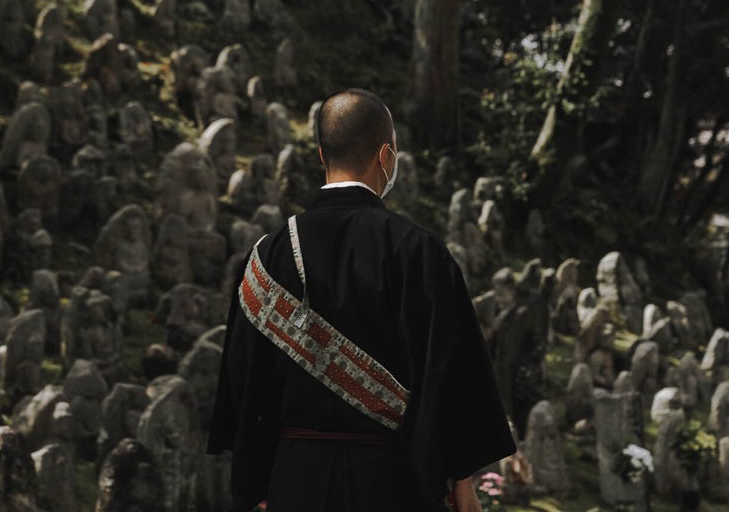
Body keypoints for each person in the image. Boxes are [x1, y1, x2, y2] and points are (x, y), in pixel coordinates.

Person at [208, 88, 516, 512]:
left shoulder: (268, 254)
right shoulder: (420, 253)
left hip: (296, 482)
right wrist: (462, 484)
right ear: (386, 156)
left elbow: (246, 381)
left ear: (321, 154)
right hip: (394, 483)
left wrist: (255, 485)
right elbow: (450, 373)